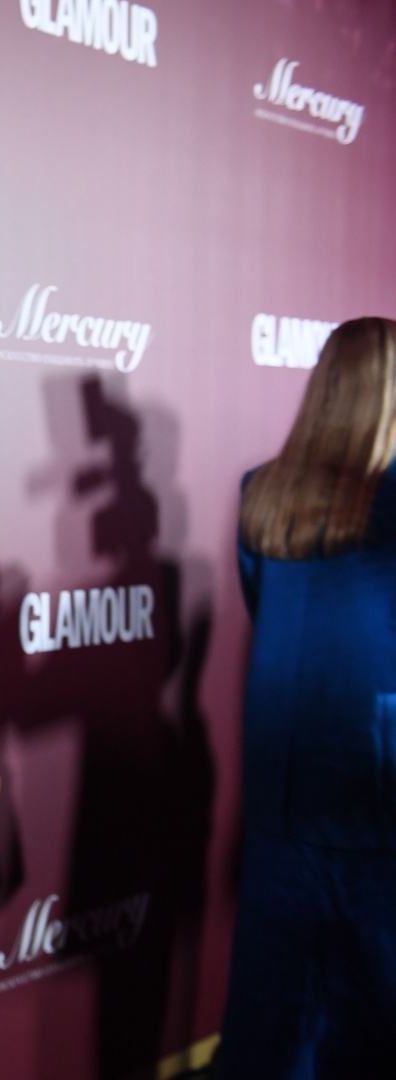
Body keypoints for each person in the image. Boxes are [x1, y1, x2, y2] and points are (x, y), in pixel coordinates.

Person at [219, 316, 396, 1078]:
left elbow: (262, 606)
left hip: (284, 794)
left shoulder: (264, 490)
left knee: (276, 1015)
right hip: (374, 798)